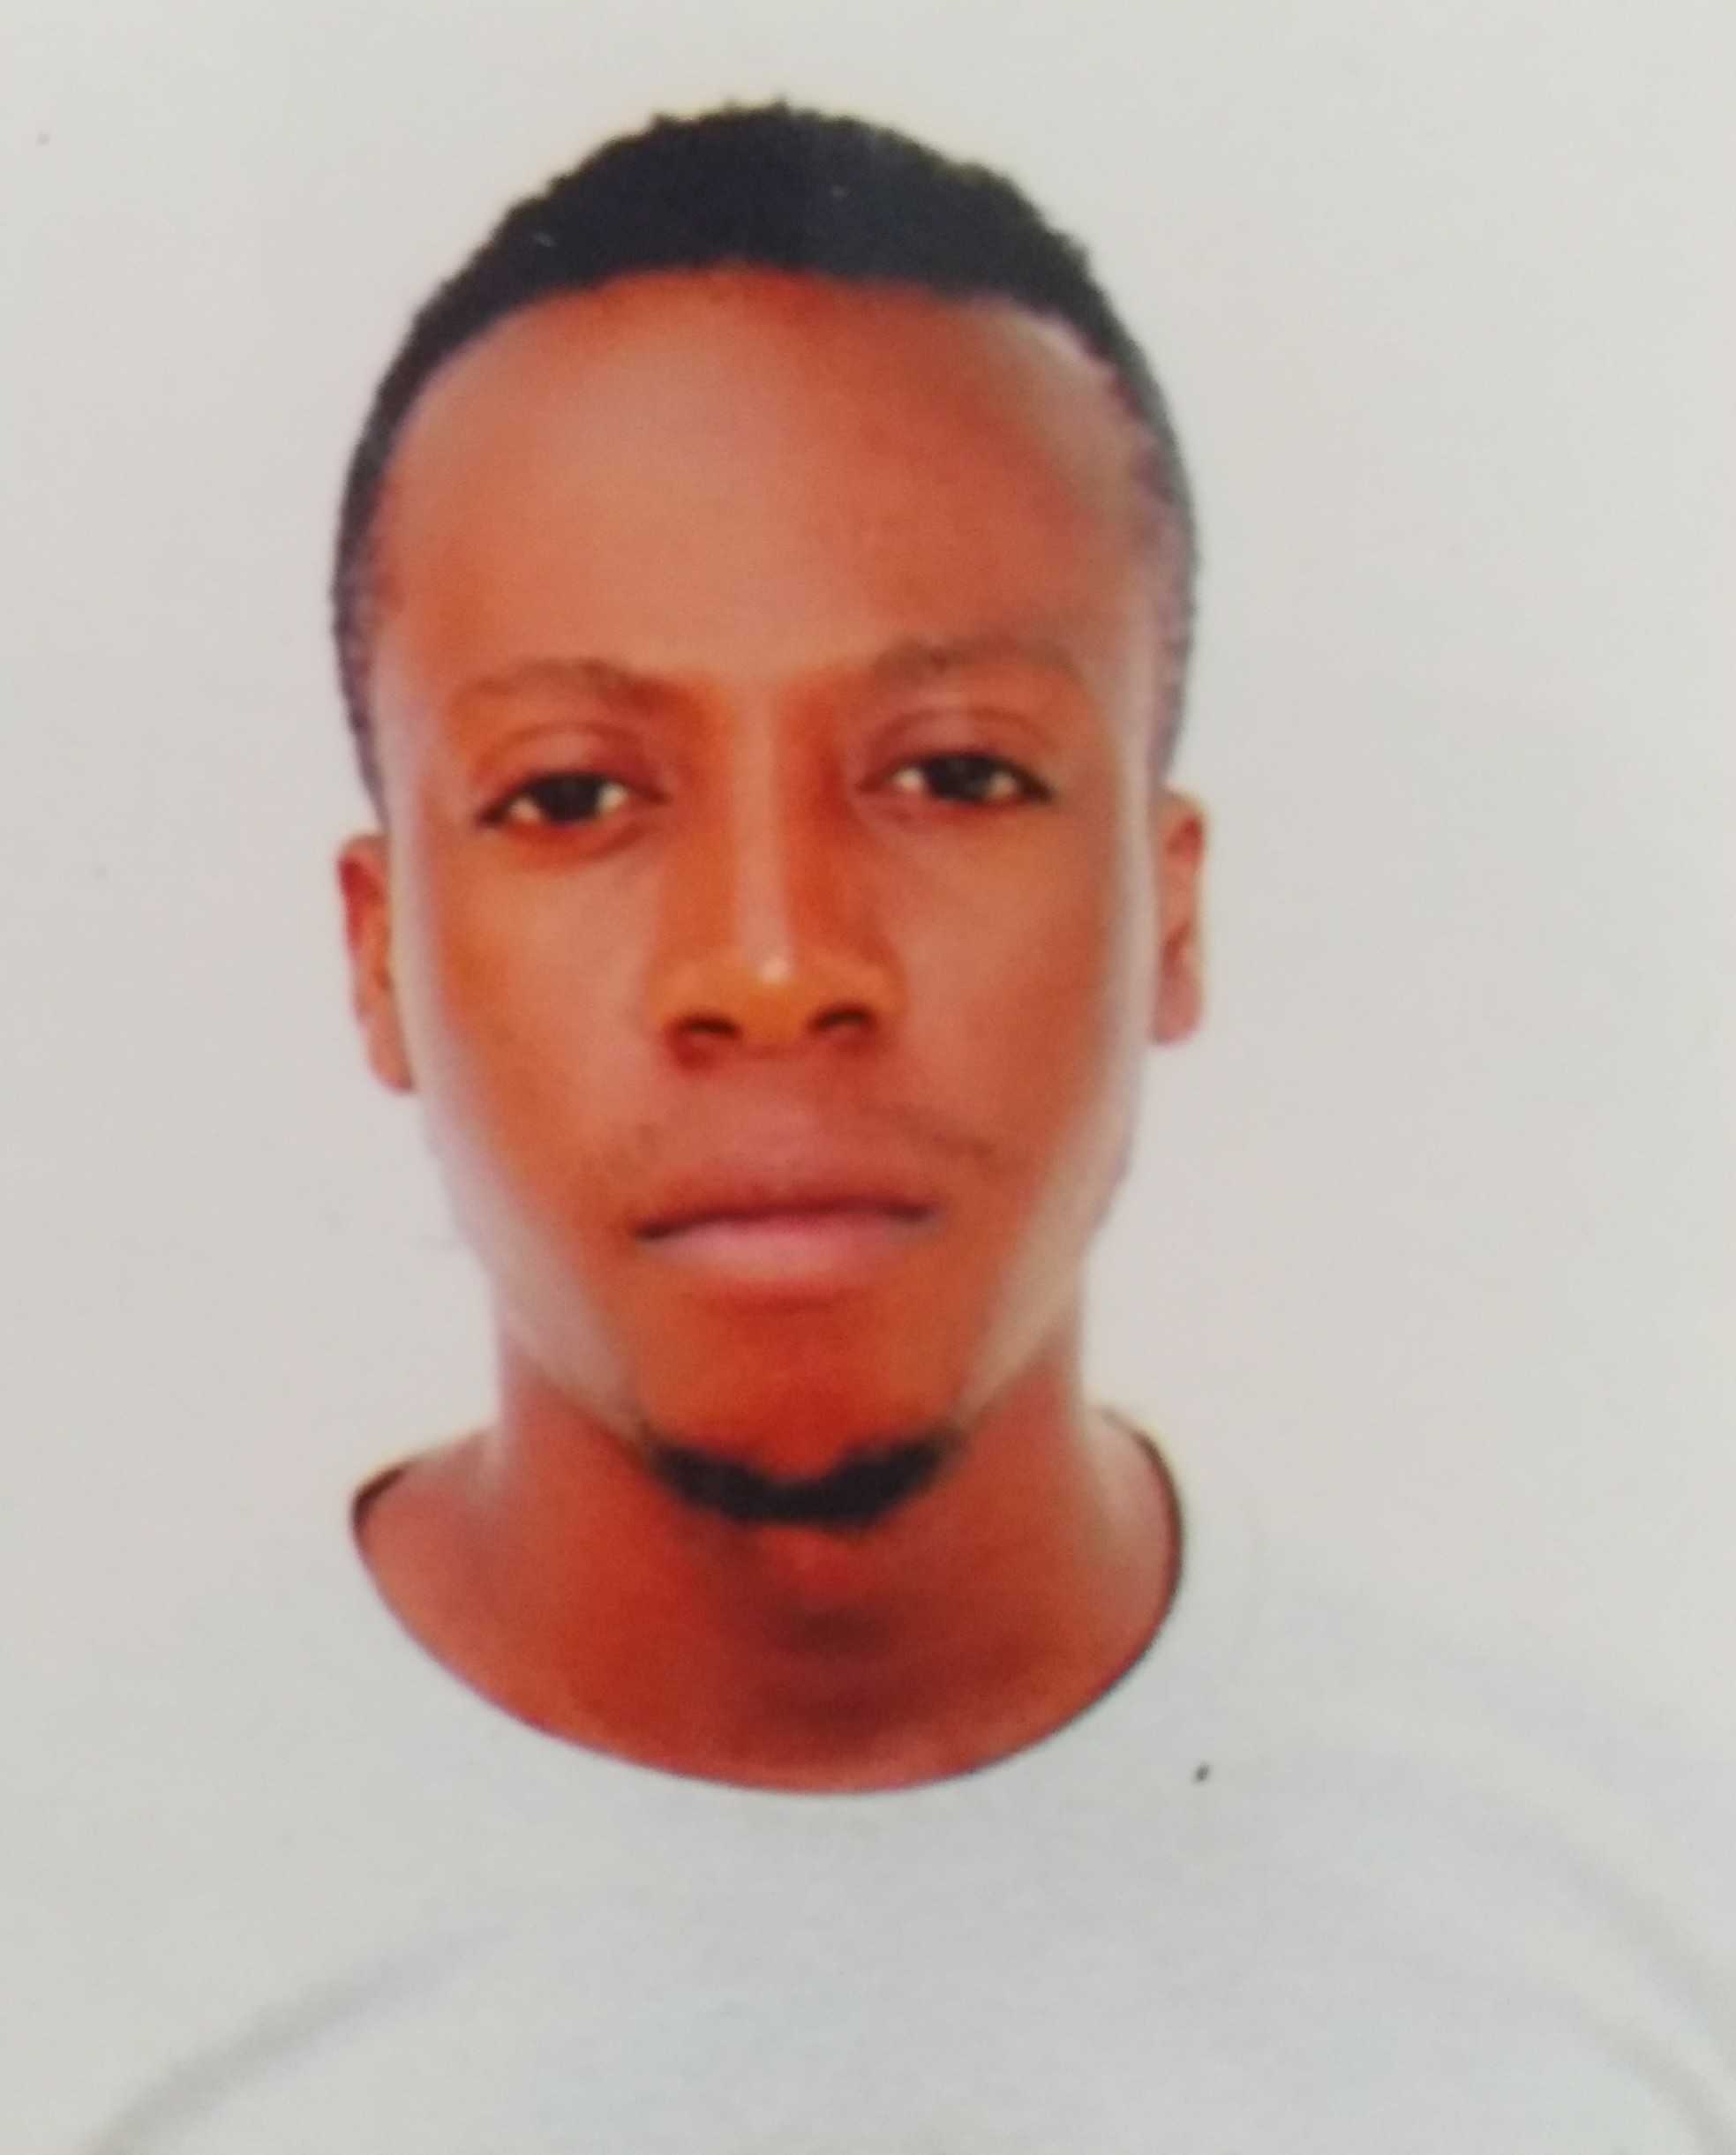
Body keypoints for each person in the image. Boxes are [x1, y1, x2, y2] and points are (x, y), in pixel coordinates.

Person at [13, 102, 1732, 2152]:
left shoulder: (1647, 1953)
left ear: (1171, 909)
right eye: (573, 795)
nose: (772, 964)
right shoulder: (68, 1971)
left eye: (957, 777)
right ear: (380, 956)